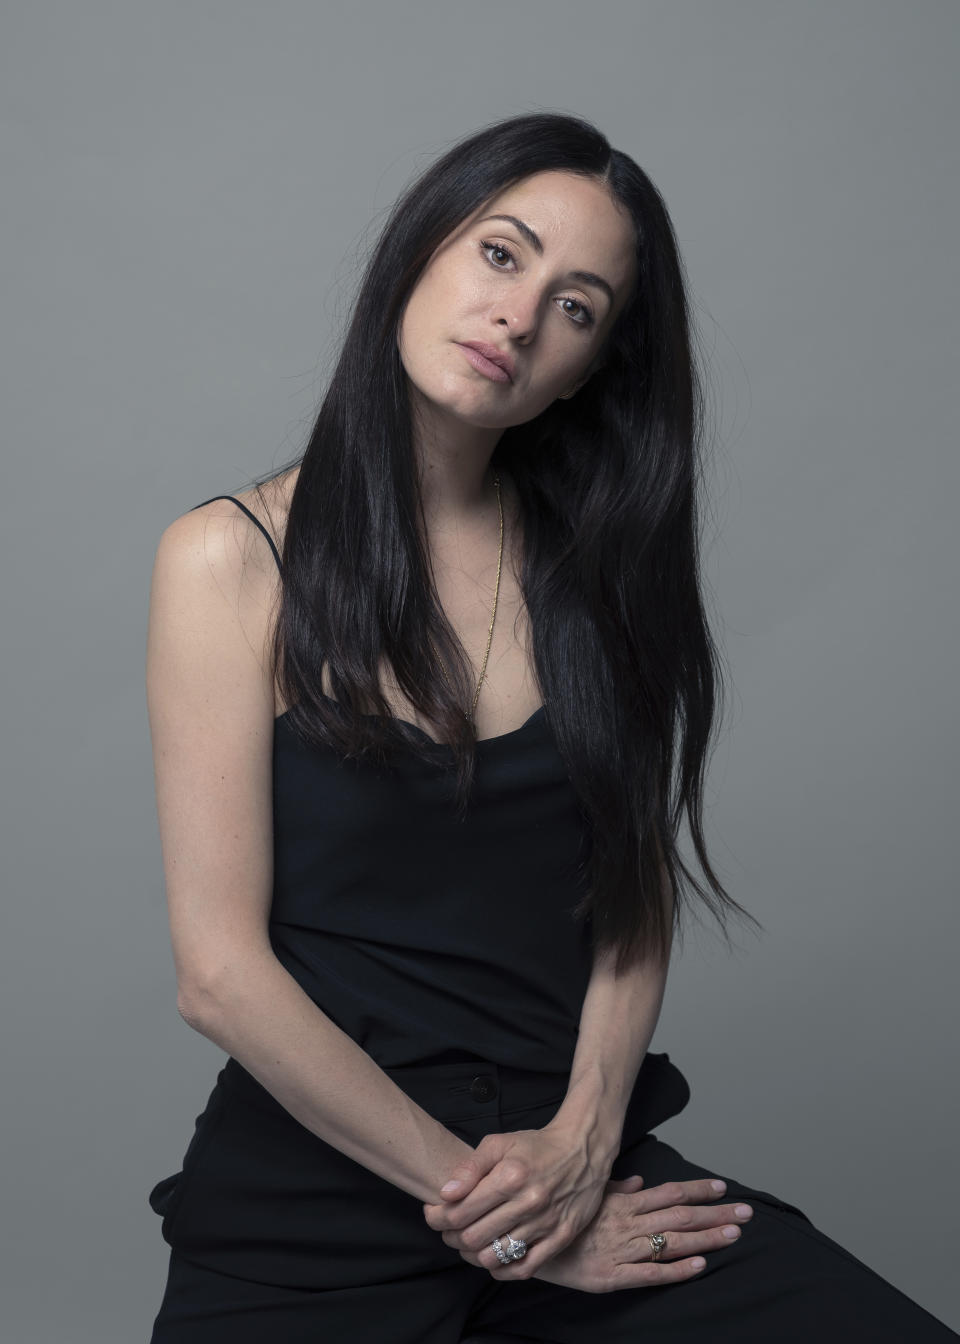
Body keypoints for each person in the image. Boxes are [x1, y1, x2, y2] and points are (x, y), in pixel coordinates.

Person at [144, 112, 958, 1341]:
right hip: (319, 1209)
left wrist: (580, 1146)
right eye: (502, 254)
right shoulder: (227, 560)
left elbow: (632, 897)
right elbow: (219, 976)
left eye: (577, 306)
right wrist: (498, 1219)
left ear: (588, 368)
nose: (519, 317)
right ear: (422, 251)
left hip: (575, 1177)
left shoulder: (595, 566)